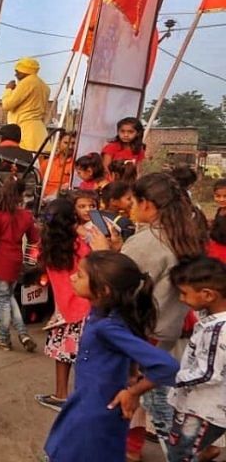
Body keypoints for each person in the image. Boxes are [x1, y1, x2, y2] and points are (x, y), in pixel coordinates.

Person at [42, 251, 179, 462]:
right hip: (85, 406)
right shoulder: (104, 314)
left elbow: (167, 365)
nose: (72, 278)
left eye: (79, 275)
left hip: (94, 417)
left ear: (104, 291)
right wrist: (132, 374)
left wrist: (133, 392)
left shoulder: (108, 327)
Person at [107, 173, 207, 447]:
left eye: (134, 201)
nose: (130, 207)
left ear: (148, 205)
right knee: (151, 402)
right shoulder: (185, 235)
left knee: (154, 410)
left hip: (141, 334)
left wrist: (104, 254)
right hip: (165, 334)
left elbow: (116, 284)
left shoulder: (149, 240)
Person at [166, 257, 226, 462]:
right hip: (199, 406)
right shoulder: (211, 319)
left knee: (180, 453)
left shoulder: (218, 329)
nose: (181, 299)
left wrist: (169, 376)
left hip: (202, 411)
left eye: (184, 293)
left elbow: (208, 373)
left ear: (208, 295)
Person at [35, 197, 92, 412]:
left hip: (63, 309)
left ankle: (60, 395)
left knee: (62, 354)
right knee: (84, 357)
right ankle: (82, 401)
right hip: (85, 308)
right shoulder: (81, 246)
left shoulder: (47, 246)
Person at [0, 177, 40, 352]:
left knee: (2, 301)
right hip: (16, 260)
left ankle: (3, 338)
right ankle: (23, 333)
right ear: (21, 195)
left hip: (0, 261)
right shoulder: (26, 216)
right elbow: (35, 239)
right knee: (9, 297)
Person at [1, 57, 51, 152]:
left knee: (24, 161)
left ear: (25, 70)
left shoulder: (27, 82)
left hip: (25, 130)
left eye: (18, 71)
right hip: (39, 130)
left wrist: (8, 89)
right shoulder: (44, 86)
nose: (15, 74)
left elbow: (7, 105)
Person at [41, 132, 76, 199]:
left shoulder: (77, 165)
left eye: (73, 143)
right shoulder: (48, 162)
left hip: (61, 199)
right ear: (59, 143)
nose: (70, 147)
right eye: (66, 143)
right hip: (42, 197)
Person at [209, 179, 226, 263]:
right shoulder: (220, 210)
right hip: (216, 249)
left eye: (225, 196)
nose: (221, 199)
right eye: (218, 196)